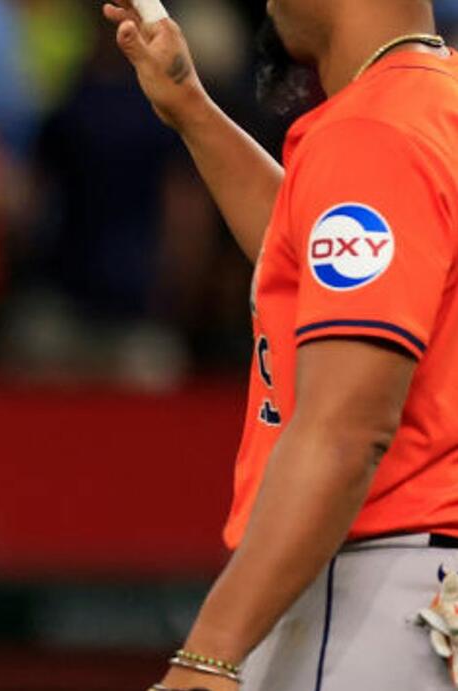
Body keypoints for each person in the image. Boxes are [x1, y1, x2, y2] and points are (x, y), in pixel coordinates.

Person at [104, 0, 458, 689]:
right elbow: (313, 267)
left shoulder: (373, 131)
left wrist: (207, 654)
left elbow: (347, 428)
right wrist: (193, 110)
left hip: (372, 592)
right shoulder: (432, 104)